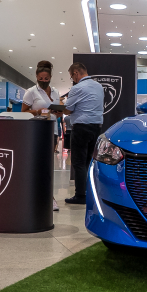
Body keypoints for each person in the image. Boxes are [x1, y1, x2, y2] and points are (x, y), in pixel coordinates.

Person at [61, 62, 103, 205]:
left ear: (76, 73)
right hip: (96, 127)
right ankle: (90, 192)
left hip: (81, 127)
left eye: (71, 76)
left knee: (78, 162)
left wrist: (61, 108)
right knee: (88, 162)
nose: (73, 79)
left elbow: (68, 109)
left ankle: (80, 195)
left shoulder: (77, 88)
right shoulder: (99, 86)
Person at [22, 61, 61, 211]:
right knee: (38, 164)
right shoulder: (31, 92)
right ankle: (39, 196)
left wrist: (58, 113)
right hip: (37, 131)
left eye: (46, 78)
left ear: (50, 77)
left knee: (48, 165)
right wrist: (38, 111)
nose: (44, 81)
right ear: (36, 77)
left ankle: (48, 197)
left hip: (52, 130)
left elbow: (57, 114)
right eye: (41, 78)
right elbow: (23, 112)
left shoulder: (55, 91)